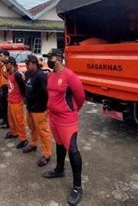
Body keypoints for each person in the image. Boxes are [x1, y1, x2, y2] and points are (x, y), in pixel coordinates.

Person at [41, 49, 85, 205]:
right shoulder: (50, 75)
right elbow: (51, 95)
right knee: (59, 144)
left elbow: (80, 97)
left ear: (59, 59)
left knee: (72, 149)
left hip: (67, 119)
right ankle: (59, 170)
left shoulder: (70, 76)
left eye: (51, 58)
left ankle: (77, 186)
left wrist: (71, 110)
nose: (49, 61)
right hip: (53, 118)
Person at [22, 55, 51, 167]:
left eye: (28, 64)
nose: (26, 66)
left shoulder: (41, 76)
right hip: (30, 108)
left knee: (43, 132)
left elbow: (48, 92)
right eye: (26, 64)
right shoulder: (28, 74)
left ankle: (47, 154)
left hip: (40, 109)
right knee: (32, 128)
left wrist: (47, 107)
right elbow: (26, 88)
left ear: (34, 63)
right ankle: (33, 144)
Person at [3, 57, 29, 149]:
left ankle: (23, 139)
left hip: (17, 101)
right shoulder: (10, 73)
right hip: (10, 100)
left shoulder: (17, 74)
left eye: (7, 63)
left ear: (12, 63)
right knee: (11, 119)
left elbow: (23, 87)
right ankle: (14, 132)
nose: (5, 65)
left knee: (19, 121)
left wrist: (23, 98)